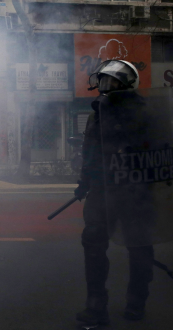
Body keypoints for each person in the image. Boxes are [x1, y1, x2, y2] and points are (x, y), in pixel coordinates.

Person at [74, 60, 153, 325]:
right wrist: (85, 180)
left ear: (129, 84)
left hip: (135, 191)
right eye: (104, 81)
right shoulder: (98, 112)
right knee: (93, 244)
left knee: (139, 247)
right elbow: (91, 150)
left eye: (114, 82)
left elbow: (156, 152)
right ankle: (96, 305)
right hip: (102, 189)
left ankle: (137, 301)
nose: (107, 87)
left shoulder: (146, 113)